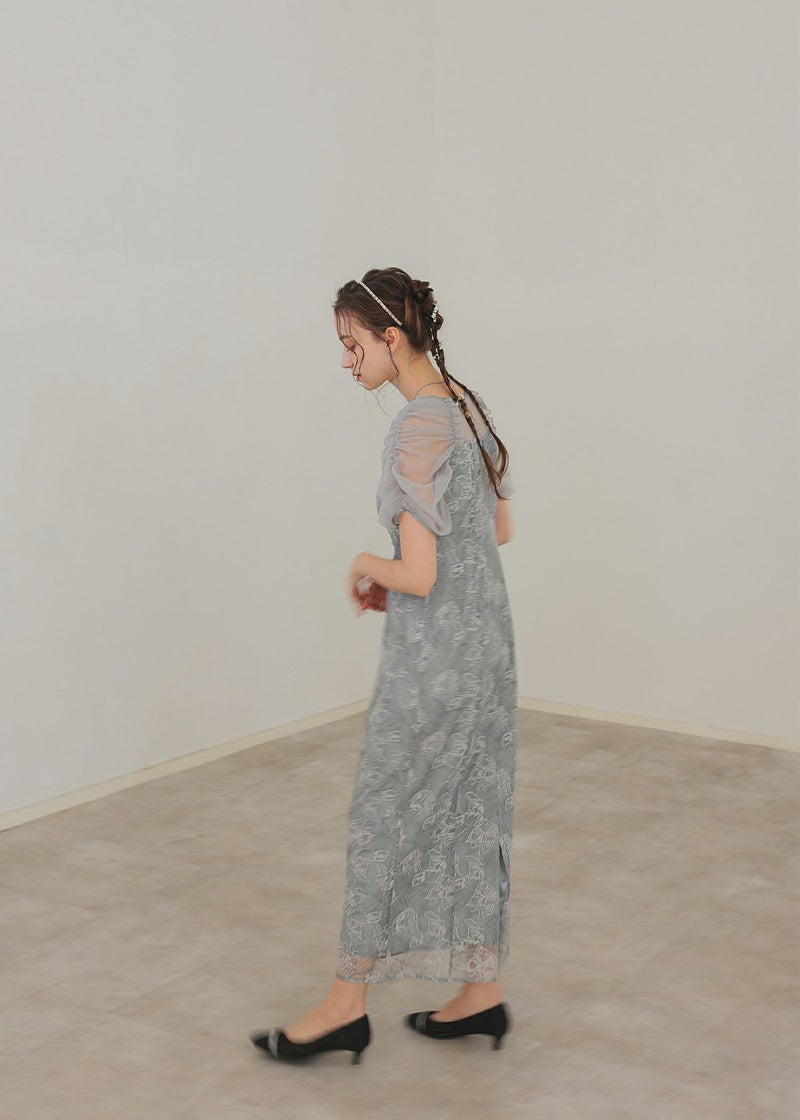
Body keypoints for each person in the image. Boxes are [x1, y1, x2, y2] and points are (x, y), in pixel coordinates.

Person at [251, 267, 517, 1065]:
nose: (346, 360)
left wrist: (370, 564)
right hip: (488, 652)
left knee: (382, 816)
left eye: (352, 344)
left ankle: (344, 1007)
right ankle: (481, 992)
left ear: (390, 337)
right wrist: (402, 578)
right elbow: (498, 532)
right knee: (471, 811)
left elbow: (423, 574)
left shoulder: (416, 427)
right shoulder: (468, 405)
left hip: (431, 664)